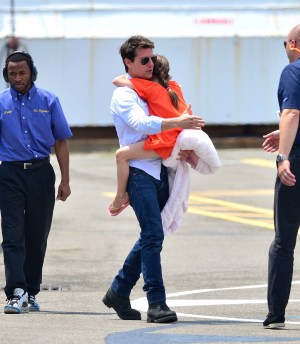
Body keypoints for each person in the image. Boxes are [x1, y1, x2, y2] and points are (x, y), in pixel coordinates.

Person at [102, 35, 204, 323]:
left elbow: (164, 125)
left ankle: (119, 291)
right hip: (138, 172)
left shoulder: (151, 89)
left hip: (161, 169)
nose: (150, 64)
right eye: (143, 60)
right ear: (128, 62)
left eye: (151, 58)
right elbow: (140, 123)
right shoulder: (124, 95)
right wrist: (177, 123)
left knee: (151, 234)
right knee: (153, 235)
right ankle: (156, 302)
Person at [0, 51, 72, 314]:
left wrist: (65, 179)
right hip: (9, 175)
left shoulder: (49, 101)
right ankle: (15, 291)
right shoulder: (1, 102)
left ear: (31, 73)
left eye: (22, 72)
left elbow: (61, 141)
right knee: (12, 234)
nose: (17, 78)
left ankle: (30, 290)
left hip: (42, 173)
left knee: (37, 235)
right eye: (12, 73)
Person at [108, 54, 193, 216]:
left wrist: (135, 74)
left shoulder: (150, 88)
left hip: (163, 142)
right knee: (155, 231)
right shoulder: (175, 87)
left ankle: (120, 197)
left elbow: (117, 80)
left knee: (121, 155)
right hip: (177, 140)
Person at [262, 24, 300, 329]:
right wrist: (284, 134)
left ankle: (276, 313)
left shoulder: (293, 71)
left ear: (294, 43)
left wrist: (283, 155)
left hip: (298, 161)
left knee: (284, 239)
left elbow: (292, 114)